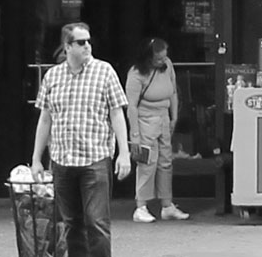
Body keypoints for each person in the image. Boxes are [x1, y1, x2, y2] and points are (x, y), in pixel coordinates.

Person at [32, 20, 131, 257]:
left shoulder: (104, 71)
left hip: (94, 159)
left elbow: (117, 113)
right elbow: (45, 119)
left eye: (88, 41)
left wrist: (124, 153)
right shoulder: (52, 76)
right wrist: (36, 158)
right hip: (62, 161)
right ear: (67, 46)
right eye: (80, 42)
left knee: (97, 222)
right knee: (71, 223)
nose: (87, 46)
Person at [125, 37, 186, 223]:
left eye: (163, 57)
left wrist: (174, 116)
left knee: (166, 161)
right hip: (145, 120)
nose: (162, 61)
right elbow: (132, 106)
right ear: (147, 57)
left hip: (164, 118)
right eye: (158, 59)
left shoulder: (167, 65)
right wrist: (134, 134)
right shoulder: (136, 74)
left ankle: (167, 205)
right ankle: (141, 206)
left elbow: (173, 91)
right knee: (147, 163)